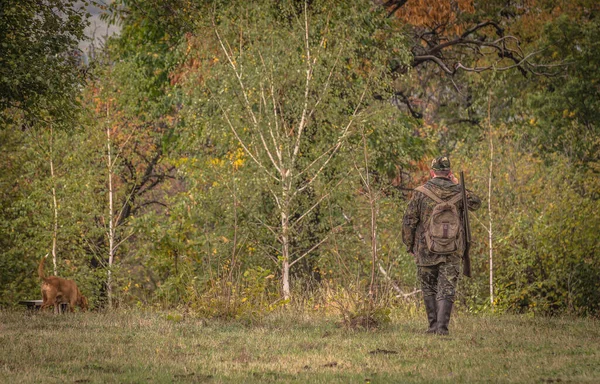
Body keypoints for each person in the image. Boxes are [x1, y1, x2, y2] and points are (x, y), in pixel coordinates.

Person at [402, 156, 481, 335]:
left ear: (432, 172)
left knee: (428, 287)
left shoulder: (420, 192)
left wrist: (409, 245)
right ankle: (442, 329)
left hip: (425, 249)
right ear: (449, 172)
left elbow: (409, 221)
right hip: (452, 249)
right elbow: (476, 203)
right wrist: (458, 184)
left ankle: (432, 327)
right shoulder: (459, 192)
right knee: (447, 287)